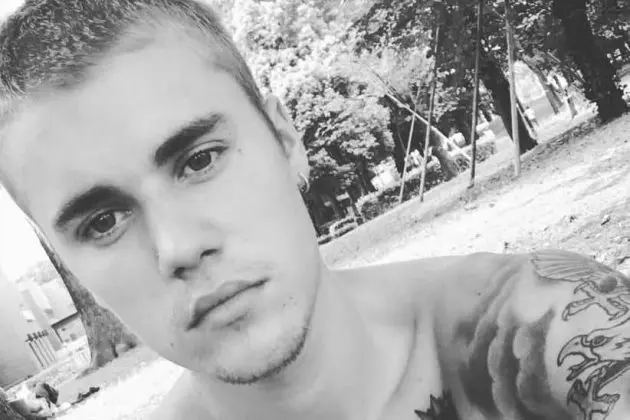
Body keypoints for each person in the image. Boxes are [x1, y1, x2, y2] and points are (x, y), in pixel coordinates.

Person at [0, 1, 628, 419]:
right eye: (102, 223)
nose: (178, 247)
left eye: (199, 160)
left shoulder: (543, 322)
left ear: (284, 138)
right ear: (72, 267)